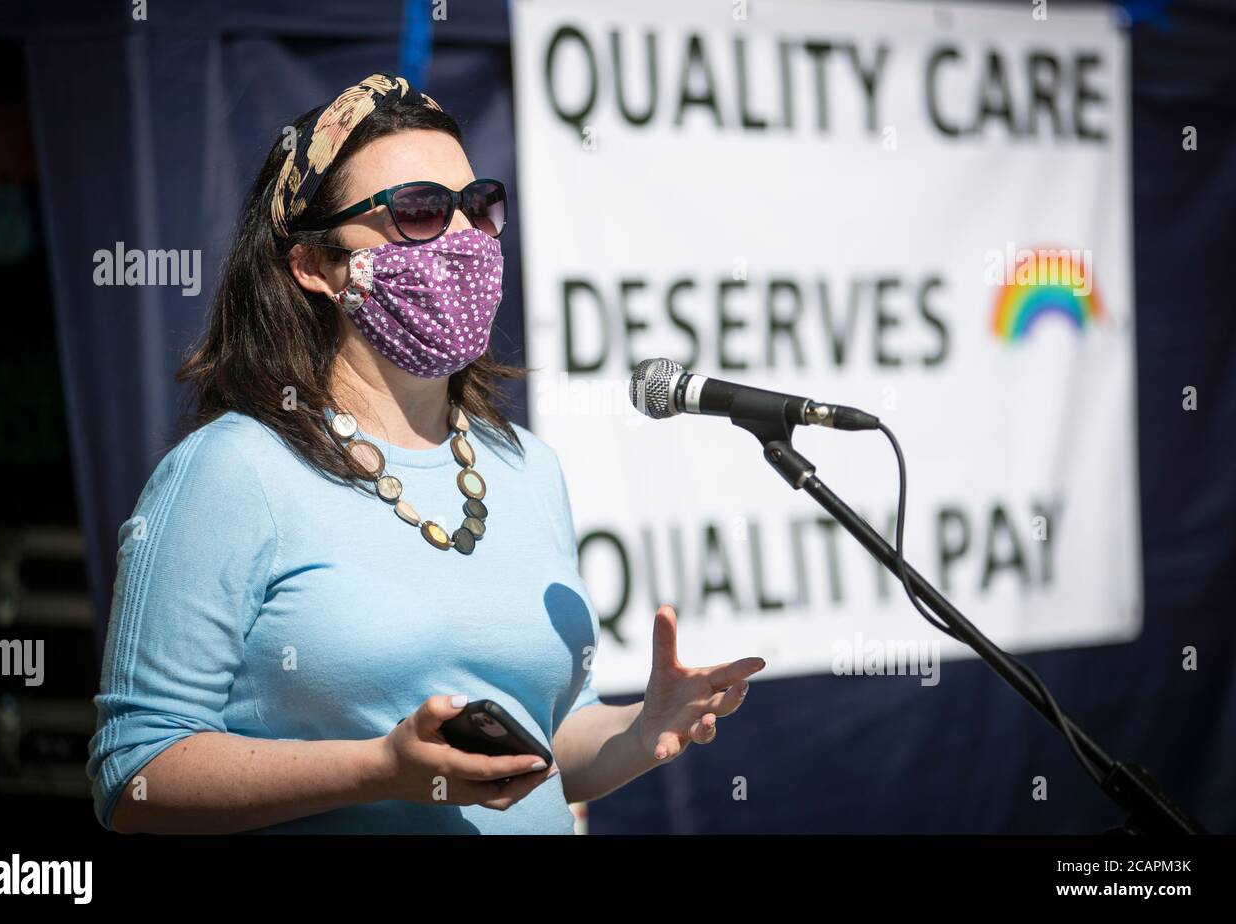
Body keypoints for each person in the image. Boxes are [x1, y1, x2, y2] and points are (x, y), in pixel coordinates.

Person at [85, 72, 765, 834]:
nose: (465, 239)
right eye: (418, 212)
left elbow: (543, 746)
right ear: (315, 265)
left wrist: (642, 729)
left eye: (478, 207)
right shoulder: (231, 470)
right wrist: (381, 769)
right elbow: (134, 775)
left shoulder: (527, 467)